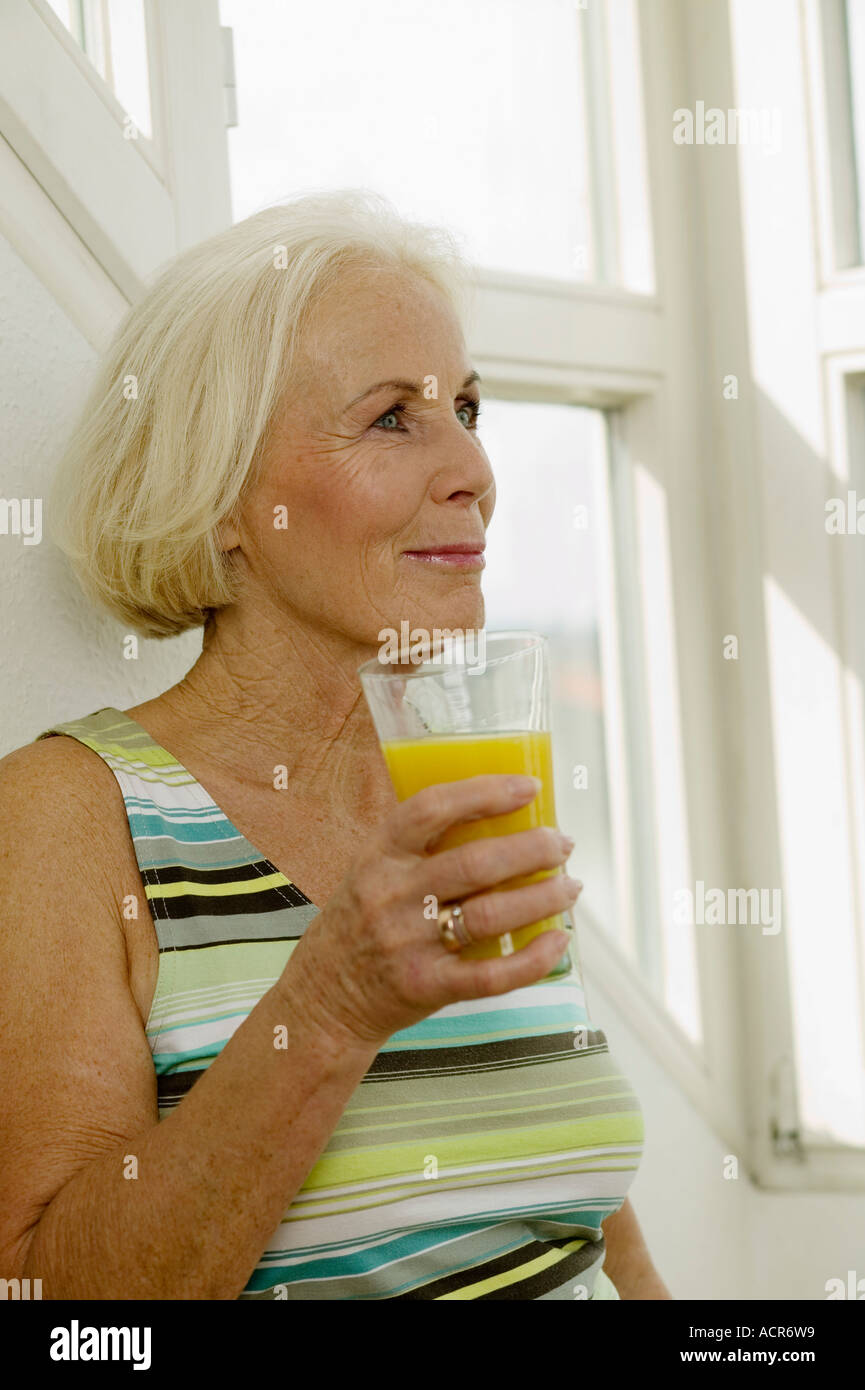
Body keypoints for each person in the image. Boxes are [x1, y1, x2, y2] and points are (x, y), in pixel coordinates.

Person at [0, 190, 669, 1299]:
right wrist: (329, 1005)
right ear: (220, 498)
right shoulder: (65, 818)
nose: (474, 470)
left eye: (466, 405)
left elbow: (580, 1217)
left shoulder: (463, 781)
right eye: (392, 418)